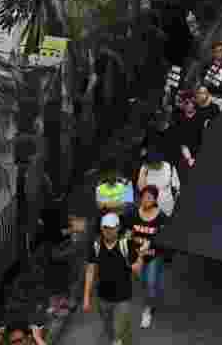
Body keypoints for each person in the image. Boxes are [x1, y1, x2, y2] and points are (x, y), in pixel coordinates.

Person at [83, 212, 147, 345]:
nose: (109, 231)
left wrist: (140, 255)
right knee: (109, 327)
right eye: (106, 228)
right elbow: (90, 271)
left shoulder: (126, 245)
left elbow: (137, 269)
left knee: (121, 328)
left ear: (118, 228)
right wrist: (86, 297)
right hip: (103, 297)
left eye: (112, 228)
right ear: (101, 229)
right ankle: (116, 339)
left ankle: (120, 340)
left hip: (123, 297)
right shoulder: (96, 246)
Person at [125, 186, 170, 329]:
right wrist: (127, 237)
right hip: (136, 255)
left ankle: (148, 310)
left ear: (155, 200)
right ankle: (154, 288)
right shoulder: (133, 213)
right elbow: (126, 231)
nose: (145, 200)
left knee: (150, 283)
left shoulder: (161, 217)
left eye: (149, 198)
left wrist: (151, 243)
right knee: (144, 281)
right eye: (143, 197)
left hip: (153, 256)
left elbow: (165, 239)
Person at [136, 148, 180, 217]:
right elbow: (141, 189)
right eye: (145, 163)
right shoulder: (145, 169)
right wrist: (143, 172)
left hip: (168, 209)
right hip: (151, 211)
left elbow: (177, 187)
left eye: (148, 164)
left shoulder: (169, 167)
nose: (146, 165)